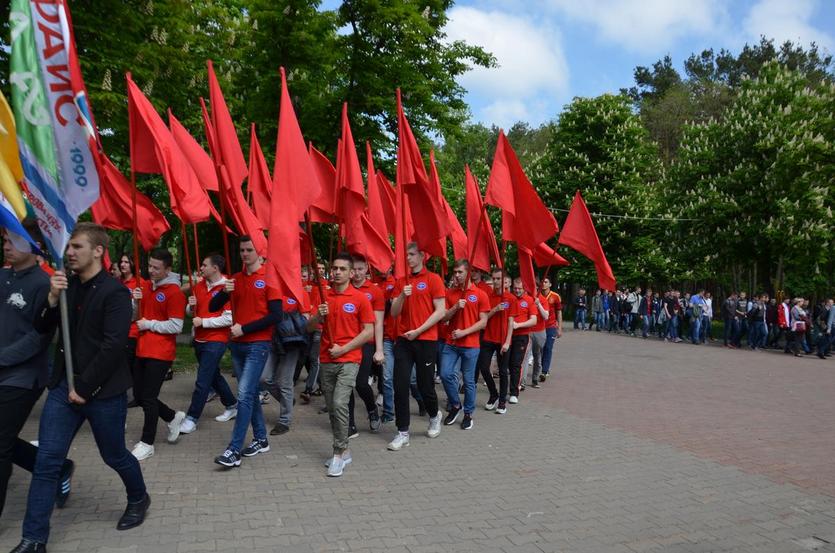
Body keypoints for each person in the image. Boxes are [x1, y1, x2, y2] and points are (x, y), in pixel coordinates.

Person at [12, 223, 149, 553]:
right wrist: (51, 297)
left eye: (76, 247)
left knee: (113, 455)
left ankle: (138, 497)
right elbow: (42, 327)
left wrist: (85, 387)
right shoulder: (66, 286)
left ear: (98, 251)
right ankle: (33, 540)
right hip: (62, 390)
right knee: (47, 462)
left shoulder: (115, 293)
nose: (69, 252)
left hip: (102, 393)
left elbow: (113, 346)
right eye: (69, 247)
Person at [0, 221, 74, 519]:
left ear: (33, 247)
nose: (5, 245)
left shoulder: (44, 284)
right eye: (4, 240)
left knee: (1, 445)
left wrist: (3, 358)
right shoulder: (2, 276)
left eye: (12, 241)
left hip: (23, 377)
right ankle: (58, 467)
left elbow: (41, 336)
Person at [210, 236, 281, 467]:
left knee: (243, 395)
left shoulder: (270, 279)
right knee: (248, 394)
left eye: (249, 250)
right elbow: (212, 307)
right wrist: (223, 292)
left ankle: (234, 450)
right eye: (241, 250)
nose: (244, 254)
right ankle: (261, 439)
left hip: (258, 344)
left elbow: (276, 316)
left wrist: (245, 328)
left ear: (259, 252)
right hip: (238, 345)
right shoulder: (235, 279)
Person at [309, 253, 373, 476]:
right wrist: (317, 316)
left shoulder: (360, 298)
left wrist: (344, 349)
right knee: (332, 407)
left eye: (342, 269)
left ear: (351, 273)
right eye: (334, 268)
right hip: (327, 359)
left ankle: (337, 454)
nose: (337, 272)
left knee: (339, 402)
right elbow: (308, 328)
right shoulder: (323, 296)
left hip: (349, 359)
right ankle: (344, 449)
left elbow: (368, 331)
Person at [387, 243, 446, 451]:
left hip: (426, 340)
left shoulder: (434, 279)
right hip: (404, 340)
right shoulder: (401, 282)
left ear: (422, 256)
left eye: (412, 254)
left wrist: (419, 330)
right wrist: (403, 295)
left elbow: (440, 311)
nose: (408, 258)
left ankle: (434, 415)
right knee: (400, 384)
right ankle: (402, 431)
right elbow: (394, 313)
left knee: (425, 385)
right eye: (406, 254)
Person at [129, 249, 187, 461]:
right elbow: (135, 317)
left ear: (168, 269)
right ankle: (172, 417)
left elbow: (177, 325)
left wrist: (150, 324)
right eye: (150, 266)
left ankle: (147, 443)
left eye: (156, 268)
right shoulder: (144, 287)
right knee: (139, 395)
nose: (151, 270)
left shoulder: (174, 293)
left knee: (149, 398)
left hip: (160, 353)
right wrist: (135, 303)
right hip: (142, 349)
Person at [178, 254, 238, 436]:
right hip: (199, 339)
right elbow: (192, 314)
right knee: (213, 375)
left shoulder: (227, 287)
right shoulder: (199, 286)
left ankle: (191, 418)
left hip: (217, 340)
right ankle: (232, 405)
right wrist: (190, 306)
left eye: (204, 265)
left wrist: (203, 322)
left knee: (202, 380)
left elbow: (229, 318)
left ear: (215, 268)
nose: (201, 268)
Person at [439, 260, 489, 430]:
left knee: (468, 382)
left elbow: (483, 322)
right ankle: (455, 406)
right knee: (445, 374)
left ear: (468, 273)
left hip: (470, 345)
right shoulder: (450, 292)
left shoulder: (480, 294)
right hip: (451, 343)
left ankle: (468, 413)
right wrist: (454, 308)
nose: (457, 275)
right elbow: (443, 318)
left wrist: (464, 332)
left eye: (460, 272)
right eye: (455, 272)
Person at [263, 283, 311, 437]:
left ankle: (284, 420)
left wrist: (290, 322)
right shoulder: (270, 289)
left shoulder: (300, 292)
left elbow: (306, 318)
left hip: (290, 342)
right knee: (263, 378)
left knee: (284, 382)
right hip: (271, 340)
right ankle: (288, 401)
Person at [347, 255, 384, 435]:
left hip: (367, 344)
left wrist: (379, 350)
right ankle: (350, 424)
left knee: (361, 384)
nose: (357, 273)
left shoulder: (375, 292)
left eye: (361, 269)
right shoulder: (343, 288)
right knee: (347, 385)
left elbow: (378, 323)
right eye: (354, 269)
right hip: (346, 344)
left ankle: (372, 410)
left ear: (367, 268)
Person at [119, 254, 144, 408]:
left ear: (132, 265)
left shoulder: (139, 283)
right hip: (119, 330)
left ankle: (135, 396)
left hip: (132, 331)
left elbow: (140, 311)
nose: (123, 264)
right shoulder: (118, 283)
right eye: (121, 261)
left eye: (126, 262)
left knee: (129, 365)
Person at [508, 278, 537, 404]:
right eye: (515, 288)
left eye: (520, 288)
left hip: (522, 336)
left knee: (516, 364)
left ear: (524, 288)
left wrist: (518, 325)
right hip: (507, 336)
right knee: (507, 364)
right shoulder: (509, 299)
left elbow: (534, 320)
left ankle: (514, 392)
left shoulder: (529, 300)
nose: (517, 291)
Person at [539, 277, 561, 381]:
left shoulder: (555, 296)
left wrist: (559, 328)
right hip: (539, 326)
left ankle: (544, 370)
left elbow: (559, 312)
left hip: (551, 326)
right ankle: (543, 367)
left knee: (548, 347)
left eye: (546, 282)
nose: (543, 284)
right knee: (541, 349)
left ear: (550, 284)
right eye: (542, 282)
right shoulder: (537, 295)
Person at [528, 283, 550, 388]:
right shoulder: (526, 298)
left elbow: (546, 316)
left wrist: (538, 304)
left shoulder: (543, 299)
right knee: (524, 357)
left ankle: (535, 379)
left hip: (539, 332)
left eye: (535, 288)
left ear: (538, 288)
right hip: (527, 331)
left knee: (537, 356)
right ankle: (521, 383)